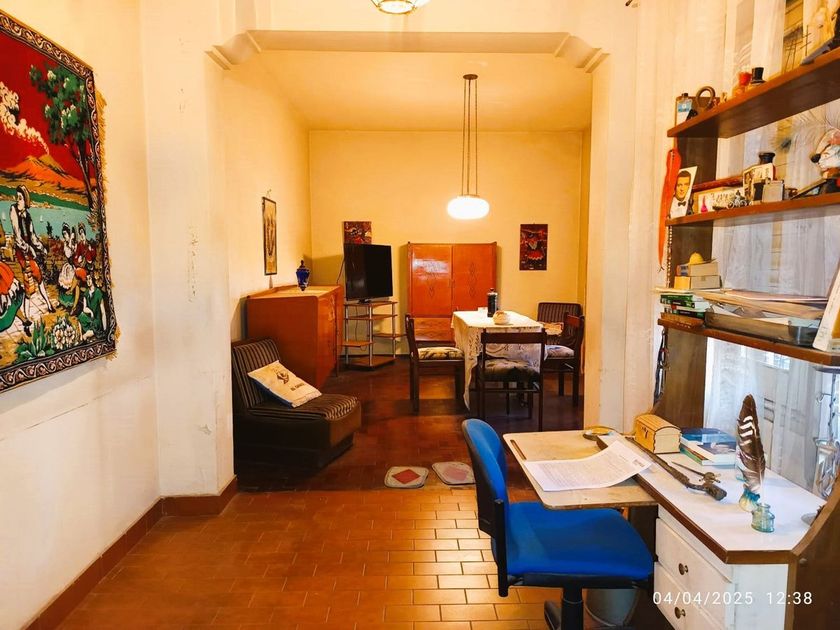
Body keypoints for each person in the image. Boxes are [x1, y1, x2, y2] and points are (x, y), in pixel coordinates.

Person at [9, 184, 54, 317]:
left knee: (38, 277)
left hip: (28, 251)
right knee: (29, 281)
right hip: (21, 251)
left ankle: (48, 304)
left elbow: (33, 237)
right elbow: (18, 238)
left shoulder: (28, 216)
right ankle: (27, 317)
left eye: (20, 198)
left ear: (26, 200)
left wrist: (42, 248)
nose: (17, 200)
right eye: (17, 197)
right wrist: (30, 249)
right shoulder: (13, 210)